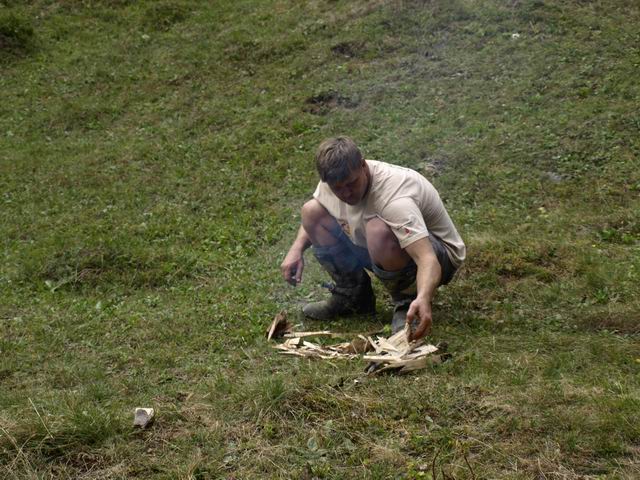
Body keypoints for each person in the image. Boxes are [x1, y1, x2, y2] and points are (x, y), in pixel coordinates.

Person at [280, 137, 465, 341]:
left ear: (363, 165)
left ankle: (408, 301)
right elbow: (317, 213)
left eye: (351, 183)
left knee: (378, 230)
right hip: (378, 244)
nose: (346, 193)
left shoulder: (395, 199)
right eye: (337, 188)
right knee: (311, 211)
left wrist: (424, 298)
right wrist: (296, 249)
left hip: (438, 256)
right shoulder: (335, 178)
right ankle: (353, 296)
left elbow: (427, 258)